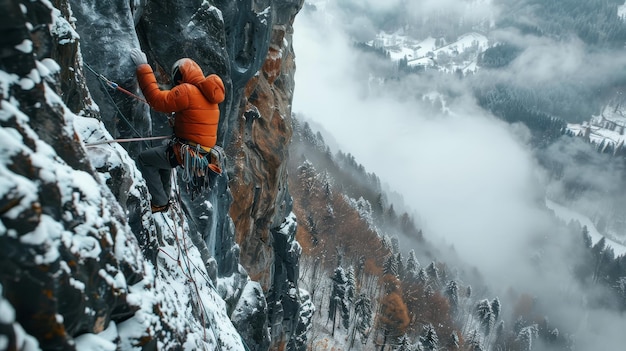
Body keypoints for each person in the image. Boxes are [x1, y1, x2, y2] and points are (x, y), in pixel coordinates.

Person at [130, 48, 225, 213]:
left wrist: (143, 68)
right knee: (164, 159)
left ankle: (160, 201)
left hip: (186, 151)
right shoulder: (210, 99)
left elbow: (157, 101)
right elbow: (195, 121)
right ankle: (164, 198)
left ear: (180, 76)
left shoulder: (187, 90)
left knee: (144, 159)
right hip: (199, 152)